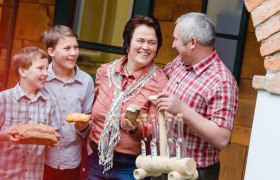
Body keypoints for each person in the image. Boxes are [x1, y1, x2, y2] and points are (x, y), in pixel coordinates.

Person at [79, 16, 168, 180]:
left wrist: (135, 128)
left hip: (131, 166)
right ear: (127, 42)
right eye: (140, 40)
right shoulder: (104, 72)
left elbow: (157, 131)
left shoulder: (160, 82)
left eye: (152, 42)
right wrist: (85, 130)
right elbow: (93, 115)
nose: (145, 47)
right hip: (96, 159)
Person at [156, 12, 239, 180]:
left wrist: (182, 110)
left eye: (176, 39)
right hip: (163, 165)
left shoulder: (222, 81)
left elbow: (222, 139)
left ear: (192, 42)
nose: (172, 45)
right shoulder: (179, 62)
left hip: (194, 173)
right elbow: (157, 80)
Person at [0, 46, 61, 179]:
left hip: (33, 176)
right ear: (23, 71)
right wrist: (5, 136)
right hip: (5, 174)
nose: (46, 73)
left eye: (47, 68)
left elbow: (55, 136)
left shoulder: (50, 102)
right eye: (40, 68)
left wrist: (54, 138)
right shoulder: (3, 99)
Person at [42, 25, 94, 180]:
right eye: (67, 48)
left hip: (72, 161)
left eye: (76, 47)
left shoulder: (86, 82)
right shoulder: (41, 78)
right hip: (41, 159)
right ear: (51, 51)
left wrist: (84, 127)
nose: (73, 53)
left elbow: (88, 118)